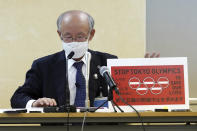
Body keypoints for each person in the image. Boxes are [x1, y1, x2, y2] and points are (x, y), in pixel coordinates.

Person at [11, 10, 117, 108]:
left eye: (80, 36)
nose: (74, 41)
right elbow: (18, 98)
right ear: (59, 34)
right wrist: (34, 103)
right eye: (68, 36)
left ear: (91, 34)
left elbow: (124, 98)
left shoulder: (108, 63)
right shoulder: (43, 66)